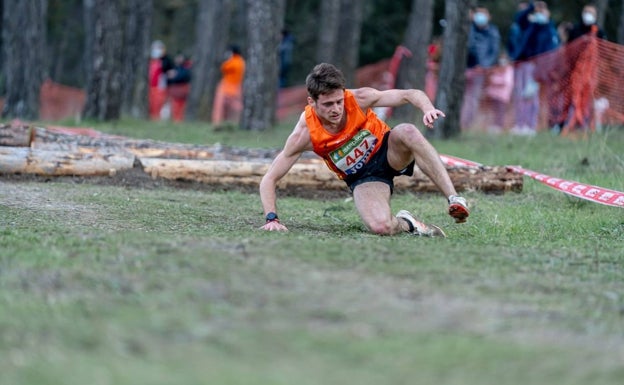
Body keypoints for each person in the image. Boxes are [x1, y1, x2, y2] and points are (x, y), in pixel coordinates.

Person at [259, 63, 470, 237]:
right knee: (381, 227)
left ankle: (454, 199)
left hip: (388, 151)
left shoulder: (358, 98)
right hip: (363, 176)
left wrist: (427, 109)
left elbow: (409, 94)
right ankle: (408, 223)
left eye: (339, 101)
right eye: (328, 104)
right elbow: (269, 178)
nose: (336, 109)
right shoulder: (305, 134)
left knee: (408, 130)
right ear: (311, 102)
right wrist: (272, 219)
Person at [508, 1, 560, 135]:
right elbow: (519, 19)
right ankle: (520, 124)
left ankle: (531, 125)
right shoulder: (531, 26)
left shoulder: (549, 30)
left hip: (536, 66)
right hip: (522, 63)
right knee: (520, 94)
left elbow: (551, 49)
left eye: (543, 12)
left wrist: (542, 69)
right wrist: (532, 7)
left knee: (531, 95)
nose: (540, 14)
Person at [461, 6, 501, 131]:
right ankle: (460, 122)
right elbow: (468, 45)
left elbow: (494, 51)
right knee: (464, 97)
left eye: (483, 14)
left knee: (472, 98)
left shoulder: (492, 32)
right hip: (466, 68)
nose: (480, 17)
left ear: (489, 17)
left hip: (480, 71)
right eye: (478, 14)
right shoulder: (469, 29)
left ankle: (466, 124)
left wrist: (483, 65)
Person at [212, 45, 246, 127]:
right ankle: (233, 123)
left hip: (226, 87)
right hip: (237, 87)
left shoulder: (233, 61)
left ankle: (217, 124)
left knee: (219, 108)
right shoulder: (242, 61)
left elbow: (223, 67)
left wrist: (227, 59)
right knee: (235, 108)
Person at [485, 54, 514, 133]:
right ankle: (494, 125)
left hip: (503, 95)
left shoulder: (509, 69)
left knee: (501, 111)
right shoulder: (495, 69)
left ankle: (499, 126)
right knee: (494, 110)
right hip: (494, 95)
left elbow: (506, 81)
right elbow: (490, 79)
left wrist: (494, 80)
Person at [148, 40, 173, 121]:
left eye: (159, 48)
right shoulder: (149, 59)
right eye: (155, 48)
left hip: (160, 86)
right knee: (150, 103)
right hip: (150, 86)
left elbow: (170, 72)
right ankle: (151, 117)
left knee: (159, 103)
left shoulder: (167, 60)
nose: (156, 50)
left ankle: (156, 118)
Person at [166, 52, 192, 123]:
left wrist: (174, 76)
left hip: (182, 91)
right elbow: (168, 77)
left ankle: (179, 121)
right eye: (178, 57)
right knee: (174, 107)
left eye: (180, 57)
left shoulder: (186, 68)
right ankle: (175, 120)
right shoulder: (174, 67)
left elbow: (183, 77)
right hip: (174, 91)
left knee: (181, 108)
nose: (179, 59)